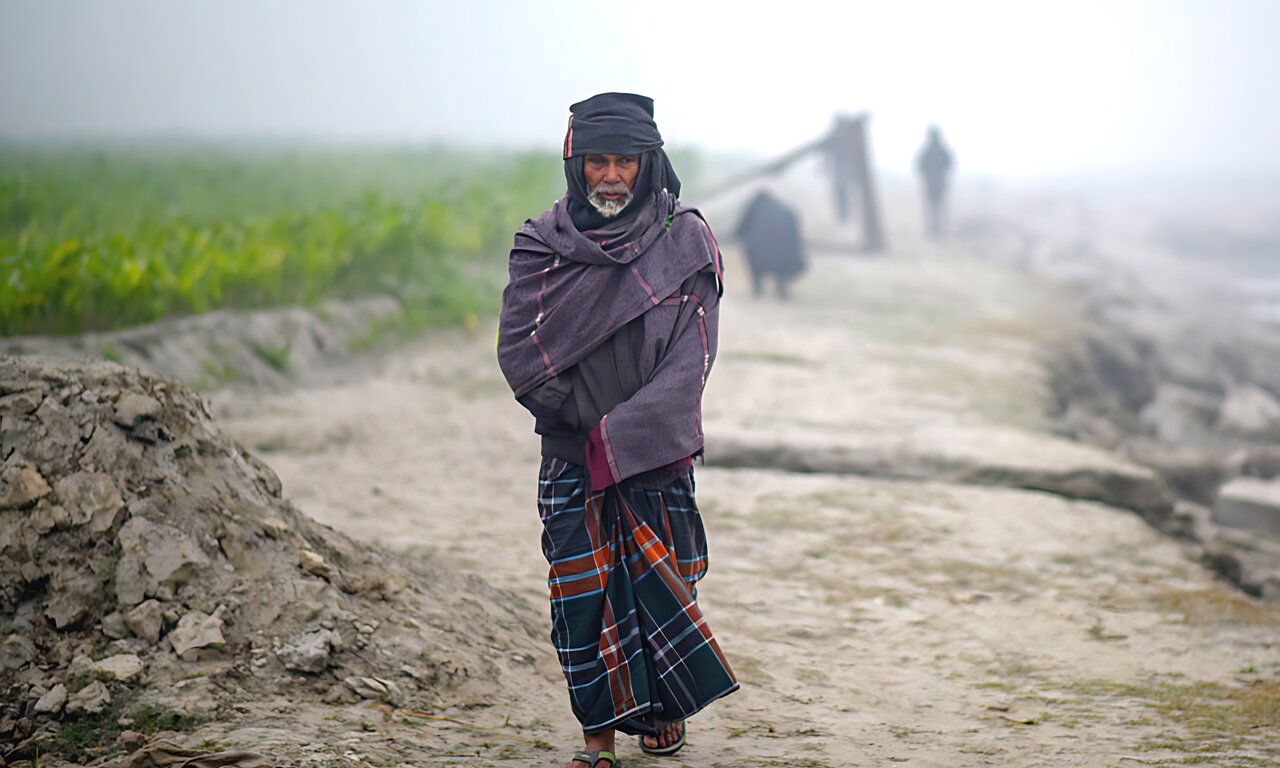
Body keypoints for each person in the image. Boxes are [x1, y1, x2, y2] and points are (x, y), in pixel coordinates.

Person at [497, 93, 738, 768]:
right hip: (571, 457)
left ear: (647, 163)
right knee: (582, 599)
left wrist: (624, 432)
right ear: (576, 164)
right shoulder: (541, 245)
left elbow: (691, 360)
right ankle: (596, 742)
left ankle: (663, 710)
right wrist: (585, 422)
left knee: (668, 582)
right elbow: (521, 352)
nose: (610, 176)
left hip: (656, 458)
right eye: (597, 161)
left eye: (624, 162)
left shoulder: (683, 240)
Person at [735, 189, 806, 299]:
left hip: (759, 258)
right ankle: (781, 283)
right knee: (784, 257)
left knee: (751, 249)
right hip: (784, 258)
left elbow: (739, 231)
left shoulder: (754, 208)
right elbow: (796, 238)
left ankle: (758, 287)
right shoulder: (786, 211)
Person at [916, 125, 955, 239]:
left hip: (937, 183)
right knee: (934, 208)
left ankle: (938, 231)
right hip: (933, 183)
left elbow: (949, 164)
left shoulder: (936, 151)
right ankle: (934, 231)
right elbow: (920, 166)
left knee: (937, 208)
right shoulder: (932, 151)